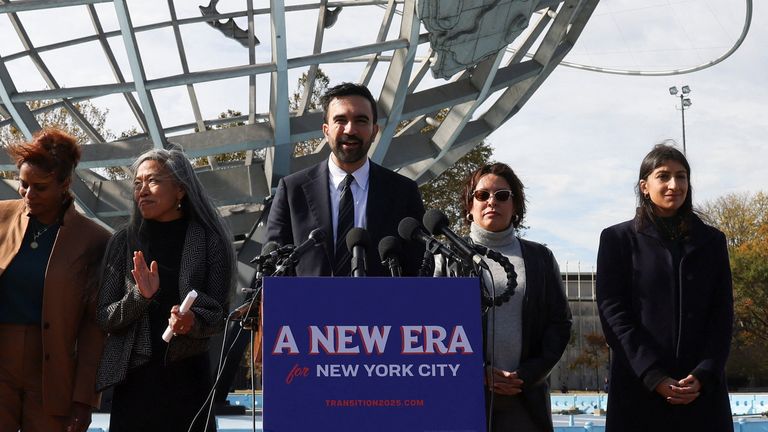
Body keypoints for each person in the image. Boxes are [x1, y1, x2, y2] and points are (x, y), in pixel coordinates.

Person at [96, 145, 234, 432]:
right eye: (137, 183)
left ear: (181, 190)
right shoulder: (123, 241)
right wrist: (140, 296)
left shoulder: (211, 240)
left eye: (153, 181)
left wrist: (191, 321)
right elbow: (104, 316)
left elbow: (219, 315)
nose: (142, 190)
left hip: (189, 377)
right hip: (135, 380)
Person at [596, 143, 733, 431]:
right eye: (664, 176)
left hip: (700, 393)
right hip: (638, 390)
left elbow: (722, 316)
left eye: (681, 176)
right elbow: (614, 315)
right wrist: (653, 375)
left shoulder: (712, 241)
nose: (674, 184)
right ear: (644, 186)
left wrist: (705, 373)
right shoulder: (617, 240)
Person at [447, 162, 572, 432]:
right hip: (461, 396)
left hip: (523, 397)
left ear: (515, 206)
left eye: (502, 195)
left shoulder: (540, 258)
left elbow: (559, 324)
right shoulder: (445, 259)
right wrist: (476, 372)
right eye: (482, 195)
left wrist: (527, 374)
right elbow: (432, 329)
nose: (492, 201)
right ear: (469, 206)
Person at [0, 128, 110, 432]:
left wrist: (85, 399)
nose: (28, 195)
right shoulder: (1, 216)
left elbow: (93, 329)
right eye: (23, 184)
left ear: (65, 183)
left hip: (53, 373)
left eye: (40, 187)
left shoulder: (95, 240)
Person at [266, 82, 425, 276]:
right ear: (326, 130)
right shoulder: (292, 190)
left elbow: (418, 266)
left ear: (374, 131)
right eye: (341, 120)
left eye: (361, 120)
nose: (350, 130)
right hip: (308, 305)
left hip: (384, 305)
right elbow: (273, 267)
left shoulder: (403, 191)